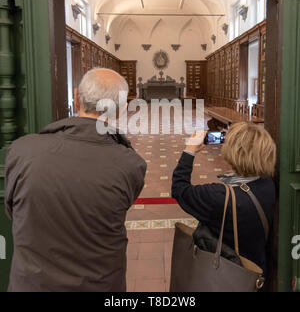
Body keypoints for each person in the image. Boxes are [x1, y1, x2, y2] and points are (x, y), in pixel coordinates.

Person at [5, 68, 147, 292]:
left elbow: (14, 212)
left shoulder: (22, 151)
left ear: (76, 97)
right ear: (121, 109)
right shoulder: (131, 165)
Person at [172, 122, 276, 278]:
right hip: (255, 273)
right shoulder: (268, 184)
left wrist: (190, 150)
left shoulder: (218, 197)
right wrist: (236, 137)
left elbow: (179, 189)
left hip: (225, 275)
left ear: (232, 152)